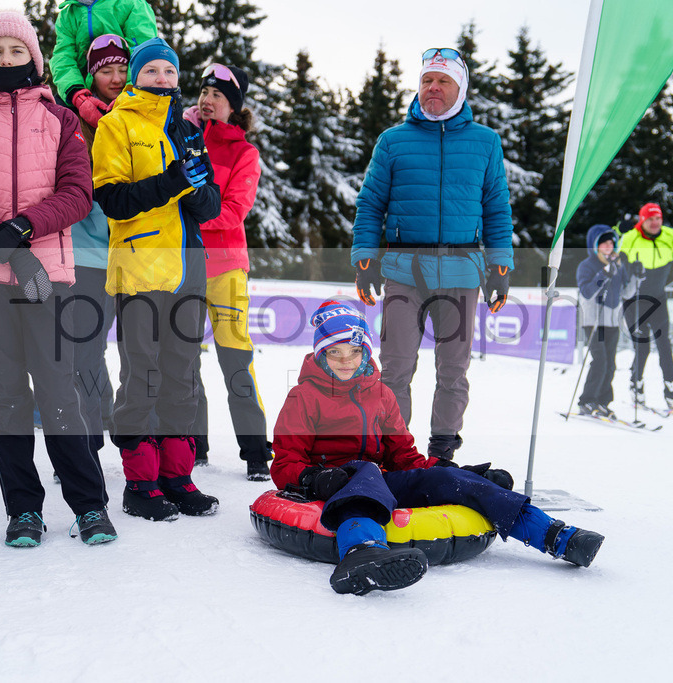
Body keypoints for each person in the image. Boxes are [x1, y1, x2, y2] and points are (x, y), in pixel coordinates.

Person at [271, 301, 605, 595]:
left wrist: (454, 473)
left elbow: (404, 455)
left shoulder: (381, 394)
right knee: (366, 470)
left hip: (378, 479)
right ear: (321, 354)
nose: (347, 361)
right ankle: (362, 553)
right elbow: (284, 462)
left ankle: (554, 535)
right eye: (335, 352)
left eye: (355, 351)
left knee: (443, 481)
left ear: (366, 352)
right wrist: (315, 479)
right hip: (337, 483)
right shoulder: (305, 397)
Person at [0, 9, 116, 547]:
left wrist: (22, 227)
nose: (8, 60)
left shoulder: (61, 121)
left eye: (17, 52)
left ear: (35, 60)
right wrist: (0, 237)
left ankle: (88, 505)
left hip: (51, 273)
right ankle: (23, 509)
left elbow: (77, 192)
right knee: (5, 393)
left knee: (59, 387)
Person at [351, 47, 513, 462]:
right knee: (396, 368)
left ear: (460, 88)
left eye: (442, 81)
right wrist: (364, 258)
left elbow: (496, 206)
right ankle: (393, 451)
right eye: (427, 80)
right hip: (405, 270)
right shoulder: (393, 141)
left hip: (462, 272)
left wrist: (500, 265)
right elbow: (371, 203)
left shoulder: (485, 142)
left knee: (454, 372)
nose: (433, 87)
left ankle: (442, 452)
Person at [93, 38, 222, 521]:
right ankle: (140, 482)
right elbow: (113, 200)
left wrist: (194, 185)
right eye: (153, 72)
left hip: (190, 268)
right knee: (142, 375)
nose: (163, 79)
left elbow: (209, 207)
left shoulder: (188, 129)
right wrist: (172, 181)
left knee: (183, 375)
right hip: (141, 267)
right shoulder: (117, 124)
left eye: (169, 72)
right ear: (136, 77)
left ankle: (177, 476)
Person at [182, 63, 270, 480]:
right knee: (184, 359)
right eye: (204, 92)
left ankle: (255, 450)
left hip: (225, 268)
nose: (207, 99)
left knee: (235, 357)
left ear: (233, 107)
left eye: (217, 95)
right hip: (182, 266)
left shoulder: (244, 153)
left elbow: (234, 210)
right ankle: (194, 443)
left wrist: (188, 213)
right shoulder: (179, 138)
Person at [63, 34, 128, 450]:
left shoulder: (140, 117)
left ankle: (129, 432)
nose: (116, 78)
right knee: (84, 350)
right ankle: (88, 440)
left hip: (134, 255)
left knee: (138, 355)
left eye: (123, 69)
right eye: (106, 70)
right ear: (91, 75)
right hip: (87, 254)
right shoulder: (75, 123)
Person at [619, 203, 673, 410]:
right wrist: (619, 234)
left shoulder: (670, 235)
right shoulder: (630, 236)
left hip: (658, 299)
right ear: (642, 220)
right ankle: (636, 385)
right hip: (635, 299)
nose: (654, 222)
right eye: (650, 219)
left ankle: (671, 390)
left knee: (664, 345)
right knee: (642, 347)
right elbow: (616, 257)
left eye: (657, 218)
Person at [49, 0, 157, 122]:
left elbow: (143, 51)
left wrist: (129, 90)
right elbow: (63, 57)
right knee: (58, 116)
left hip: (128, 80)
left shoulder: (131, 4)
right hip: (83, 83)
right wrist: (77, 93)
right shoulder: (68, 15)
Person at [576, 225, 641, 418]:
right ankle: (586, 401)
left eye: (611, 242)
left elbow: (626, 293)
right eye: (604, 243)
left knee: (610, 364)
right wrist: (604, 273)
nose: (609, 246)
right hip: (594, 321)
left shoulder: (619, 265)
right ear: (595, 246)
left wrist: (637, 276)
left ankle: (602, 401)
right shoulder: (587, 265)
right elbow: (587, 293)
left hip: (612, 322)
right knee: (600, 362)